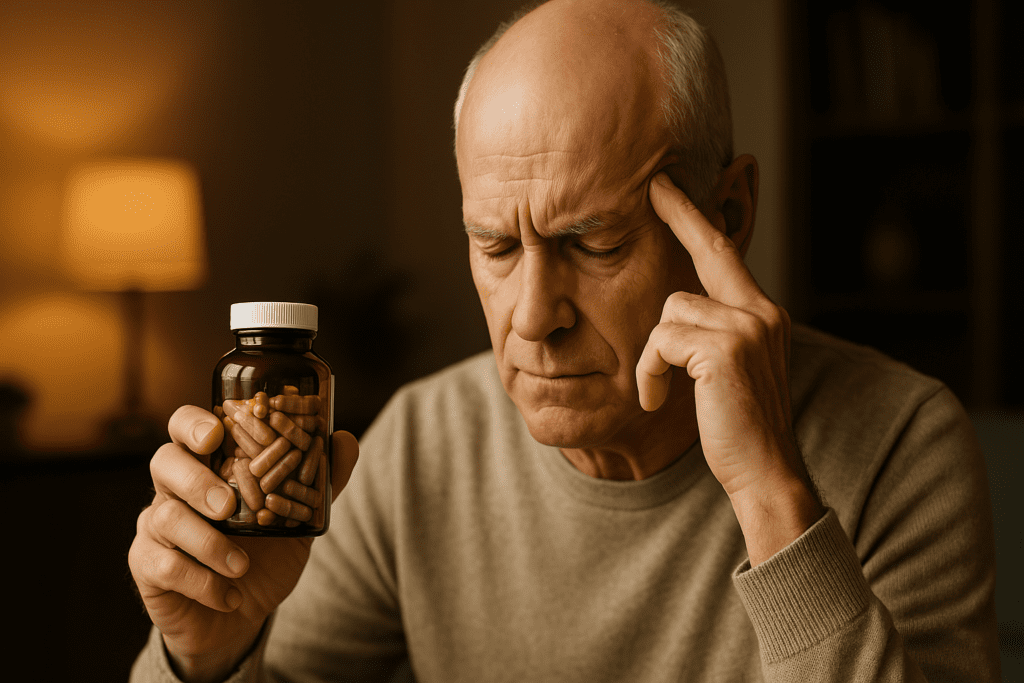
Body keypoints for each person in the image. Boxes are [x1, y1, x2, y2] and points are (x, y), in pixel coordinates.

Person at [129, 0, 1001, 680]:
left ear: (726, 216)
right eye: (497, 246)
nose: (532, 314)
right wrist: (204, 659)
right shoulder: (420, 444)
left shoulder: (901, 440)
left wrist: (773, 495)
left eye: (595, 242)